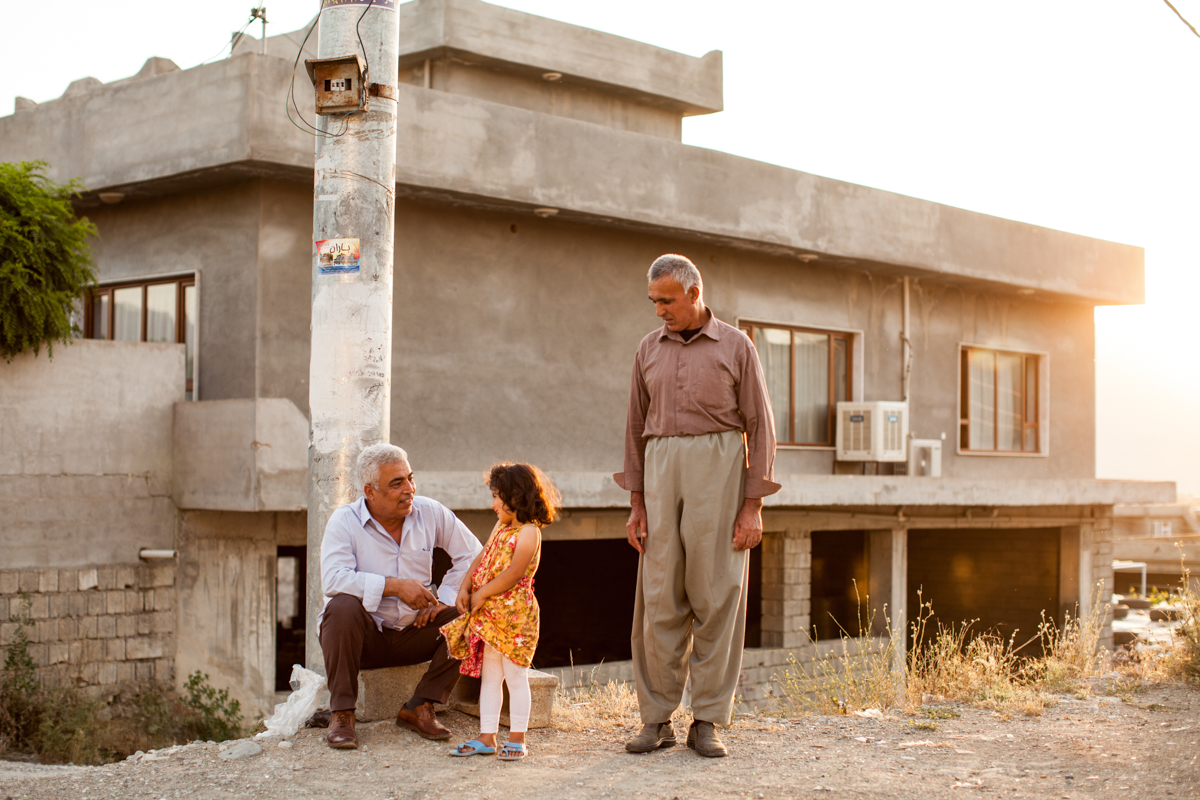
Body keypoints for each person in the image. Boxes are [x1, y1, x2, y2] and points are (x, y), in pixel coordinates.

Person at [614, 254, 780, 758]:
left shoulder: (736, 345)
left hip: (721, 466)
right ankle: (656, 720)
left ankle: (707, 719)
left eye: (666, 300)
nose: (658, 310)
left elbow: (761, 427)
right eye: (653, 301)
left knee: (716, 595)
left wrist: (752, 507)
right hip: (661, 468)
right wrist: (637, 504)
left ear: (693, 292)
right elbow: (633, 431)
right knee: (659, 597)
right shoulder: (647, 349)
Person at [319, 443, 483, 749]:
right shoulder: (344, 521)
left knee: (470, 615)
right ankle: (341, 713)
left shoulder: (429, 512)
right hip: (368, 637)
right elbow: (333, 579)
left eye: (410, 478)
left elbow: (473, 556)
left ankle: (420, 705)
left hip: (415, 632)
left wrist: (445, 600)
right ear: (370, 491)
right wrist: (394, 586)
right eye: (397, 483)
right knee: (341, 606)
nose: (409, 489)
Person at [441, 462, 558, 761]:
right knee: (490, 677)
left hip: (515, 616)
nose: (493, 504)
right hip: (490, 613)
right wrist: (465, 586)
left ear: (515, 496)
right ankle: (487, 736)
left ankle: (517, 737)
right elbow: (482, 555)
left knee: (516, 677)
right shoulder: (501, 527)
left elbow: (515, 573)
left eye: (497, 496)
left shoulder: (530, 532)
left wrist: (480, 593)